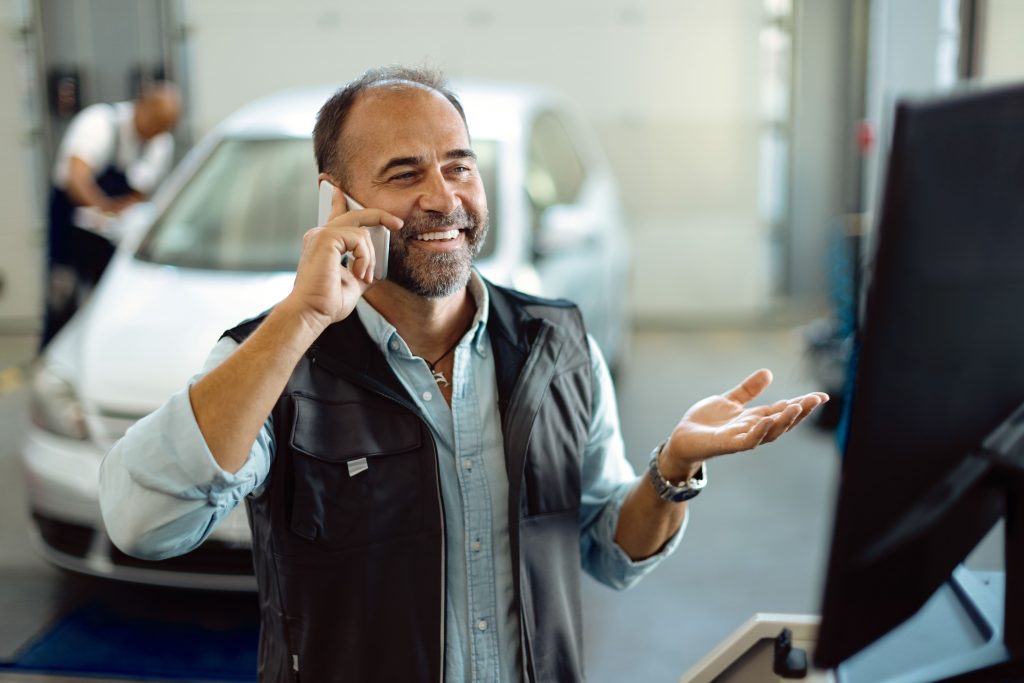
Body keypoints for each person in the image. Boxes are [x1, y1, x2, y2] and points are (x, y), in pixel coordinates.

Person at [98, 66, 827, 683]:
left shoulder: (556, 342)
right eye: (405, 173)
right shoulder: (278, 358)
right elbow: (143, 522)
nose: (445, 198)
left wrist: (672, 470)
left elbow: (609, 549)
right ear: (336, 200)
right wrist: (301, 317)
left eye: (459, 165)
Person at [42, 81, 181, 347]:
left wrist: (120, 213)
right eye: (156, 122)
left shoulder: (160, 142)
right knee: (63, 293)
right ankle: (52, 352)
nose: (158, 132)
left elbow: (140, 190)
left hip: (110, 233)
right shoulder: (98, 124)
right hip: (71, 221)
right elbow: (76, 177)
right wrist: (102, 208)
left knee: (106, 295)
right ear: (142, 106)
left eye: (165, 126)